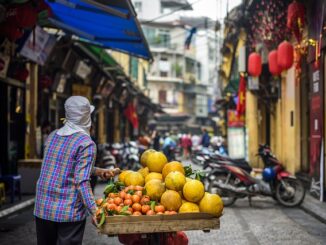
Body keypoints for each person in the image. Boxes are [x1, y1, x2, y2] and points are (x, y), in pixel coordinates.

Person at [34, 96, 120, 245]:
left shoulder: (53, 136)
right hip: (68, 212)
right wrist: (95, 210)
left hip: (43, 208)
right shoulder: (86, 143)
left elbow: (64, 165)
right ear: (87, 117)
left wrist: (97, 171)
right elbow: (81, 181)